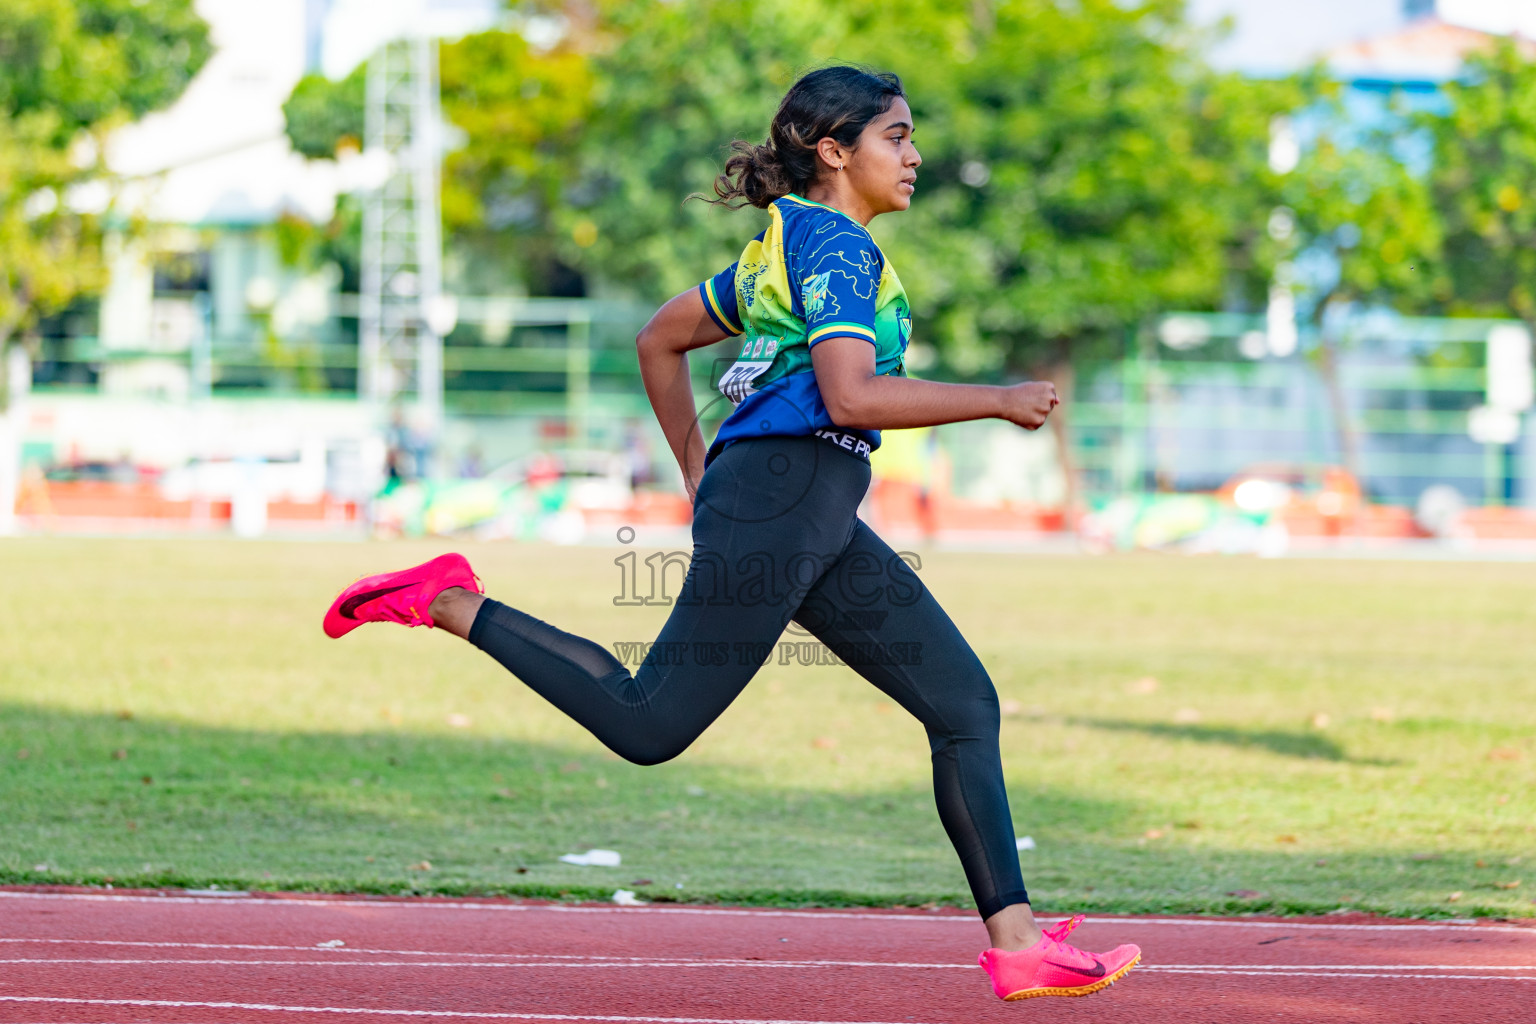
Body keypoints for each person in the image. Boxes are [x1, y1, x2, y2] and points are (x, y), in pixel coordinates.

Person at [323, 65, 1139, 1002]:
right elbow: (851, 393)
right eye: (898, 138)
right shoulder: (834, 248)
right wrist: (995, 401)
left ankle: (1018, 942)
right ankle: (451, 601)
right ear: (836, 151)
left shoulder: (779, 247)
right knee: (649, 723)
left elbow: (657, 341)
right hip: (787, 500)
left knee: (962, 705)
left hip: (800, 500)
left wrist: (697, 465)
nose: (915, 156)